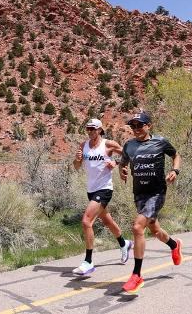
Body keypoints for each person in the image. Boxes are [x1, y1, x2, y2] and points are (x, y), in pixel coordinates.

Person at [119, 111, 183, 293]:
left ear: (149, 126)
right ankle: (174, 245)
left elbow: (176, 155)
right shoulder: (129, 146)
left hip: (157, 193)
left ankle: (137, 275)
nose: (136, 129)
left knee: (138, 227)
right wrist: (122, 171)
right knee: (154, 230)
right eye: (133, 126)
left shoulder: (160, 142)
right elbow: (123, 163)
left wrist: (175, 170)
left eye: (140, 125)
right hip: (139, 194)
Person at [72, 118, 133, 275]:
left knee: (86, 221)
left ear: (100, 130)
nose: (90, 131)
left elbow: (128, 155)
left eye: (93, 128)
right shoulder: (83, 146)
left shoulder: (108, 144)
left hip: (105, 189)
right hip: (91, 190)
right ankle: (124, 243)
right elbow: (76, 166)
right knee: (107, 221)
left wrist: (117, 163)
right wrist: (77, 159)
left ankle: (88, 261)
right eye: (88, 129)